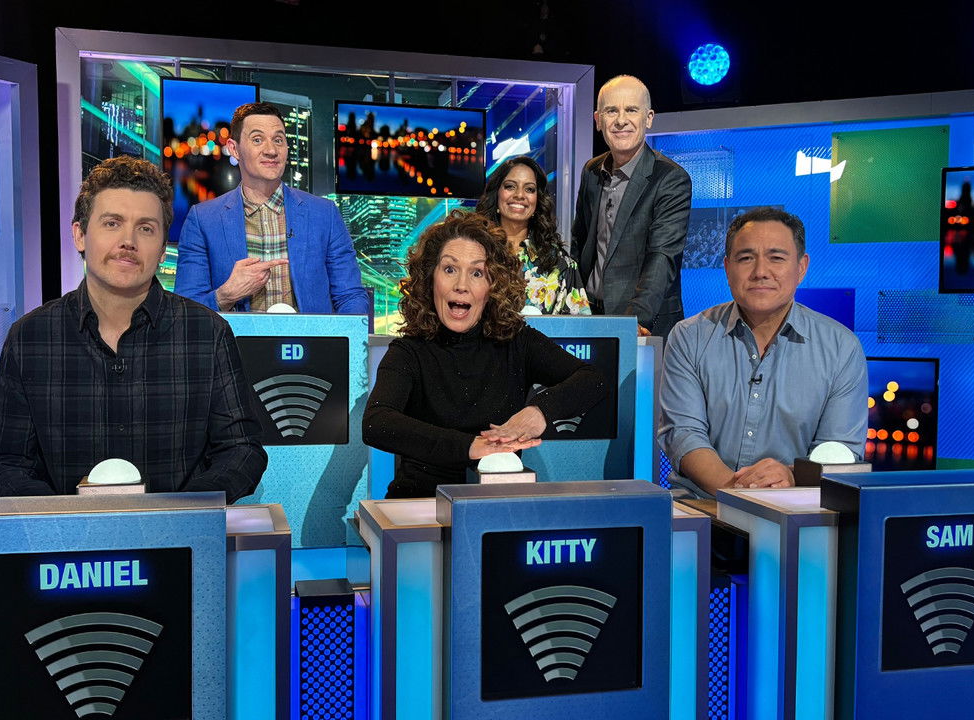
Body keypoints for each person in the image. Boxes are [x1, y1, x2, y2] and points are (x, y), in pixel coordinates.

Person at [0, 155, 267, 499]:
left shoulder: (208, 334)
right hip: (62, 533)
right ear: (80, 235)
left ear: (163, 249)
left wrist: (180, 513)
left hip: (180, 529)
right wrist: (63, 519)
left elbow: (242, 451)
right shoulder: (29, 338)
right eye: (112, 223)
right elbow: (3, 464)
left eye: (145, 228)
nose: (128, 241)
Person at [363, 211, 607, 498]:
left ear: (493, 286)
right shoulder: (409, 351)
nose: (461, 285)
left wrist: (539, 412)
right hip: (420, 502)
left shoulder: (517, 341)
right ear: (430, 279)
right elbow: (376, 422)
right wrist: (471, 446)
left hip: (497, 502)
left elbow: (594, 379)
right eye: (449, 269)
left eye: (477, 273)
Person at [658, 207, 867, 497]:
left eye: (776, 258)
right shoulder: (688, 336)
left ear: (801, 267)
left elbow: (839, 450)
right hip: (701, 505)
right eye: (746, 258)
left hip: (796, 507)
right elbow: (684, 434)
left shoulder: (841, 347)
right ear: (727, 268)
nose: (760, 272)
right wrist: (741, 493)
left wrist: (791, 476)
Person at [175, 102, 370, 315]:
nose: (271, 151)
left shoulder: (325, 214)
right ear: (234, 149)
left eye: (278, 140)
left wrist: (337, 336)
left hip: (309, 337)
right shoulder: (203, 220)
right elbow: (185, 311)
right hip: (235, 337)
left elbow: (351, 296)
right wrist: (226, 295)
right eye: (257, 140)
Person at [570, 75, 692, 337]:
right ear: (598, 120)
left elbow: (662, 257)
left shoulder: (670, 178)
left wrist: (633, 322)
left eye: (631, 110)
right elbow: (580, 243)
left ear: (648, 118)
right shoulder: (591, 171)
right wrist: (576, 304)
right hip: (591, 316)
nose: (621, 120)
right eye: (611, 111)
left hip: (643, 322)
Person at [475, 155, 590, 315]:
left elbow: (580, 325)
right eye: (510, 186)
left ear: (538, 200)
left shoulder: (560, 263)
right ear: (497, 194)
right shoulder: (474, 251)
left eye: (529, 189)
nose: (519, 195)